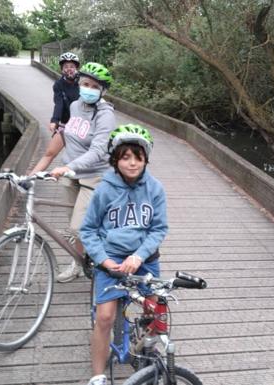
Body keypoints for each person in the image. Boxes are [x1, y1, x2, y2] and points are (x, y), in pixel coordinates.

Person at [80, 124, 168, 385]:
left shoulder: (155, 189)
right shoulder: (104, 190)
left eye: (137, 157)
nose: (132, 163)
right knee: (105, 317)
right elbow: (88, 229)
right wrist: (104, 260)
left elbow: (159, 228)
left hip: (144, 261)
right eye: (125, 157)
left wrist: (139, 256)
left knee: (154, 310)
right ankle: (97, 375)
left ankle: (147, 350)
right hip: (112, 261)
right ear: (115, 160)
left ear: (145, 159)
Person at [30, 62, 116, 282]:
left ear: (102, 90)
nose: (88, 88)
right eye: (85, 83)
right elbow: (66, 135)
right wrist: (38, 170)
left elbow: (98, 150)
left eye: (94, 86)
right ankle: (78, 263)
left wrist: (70, 167)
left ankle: (103, 263)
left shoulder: (105, 114)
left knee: (79, 227)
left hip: (94, 175)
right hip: (70, 174)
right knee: (73, 225)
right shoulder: (76, 106)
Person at [49, 52, 80, 133]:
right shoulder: (58, 85)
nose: (69, 69)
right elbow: (59, 104)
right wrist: (54, 120)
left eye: (72, 67)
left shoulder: (82, 81)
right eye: (66, 67)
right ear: (62, 69)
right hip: (66, 121)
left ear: (76, 68)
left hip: (82, 120)